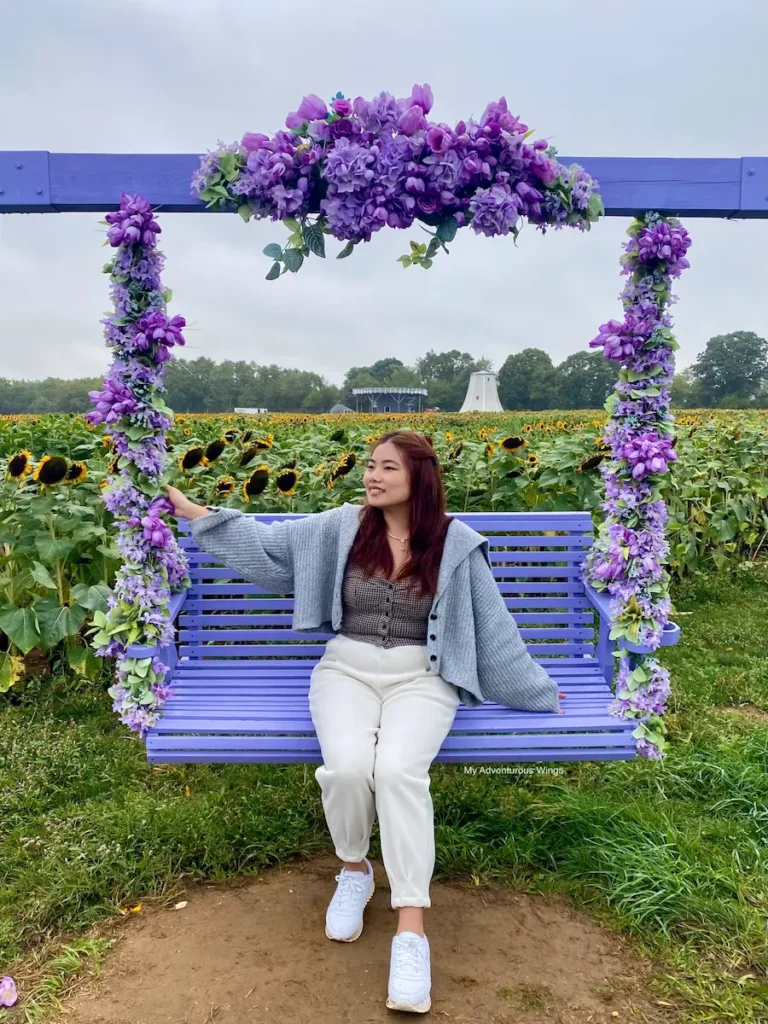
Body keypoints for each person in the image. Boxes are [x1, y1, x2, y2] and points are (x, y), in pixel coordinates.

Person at [165, 429, 566, 1014]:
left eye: (387, 469)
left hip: (422, 678)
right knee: (349, 768)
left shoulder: (454, 544)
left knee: (400, 771)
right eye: (371, 467)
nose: (372, 477)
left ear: (419, 479)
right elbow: (273, 551)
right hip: (345, 671)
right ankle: (354, 869)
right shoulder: (342, 526)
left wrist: (535, 690)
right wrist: (196, 512)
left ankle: (411, 930)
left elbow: (493, 626)